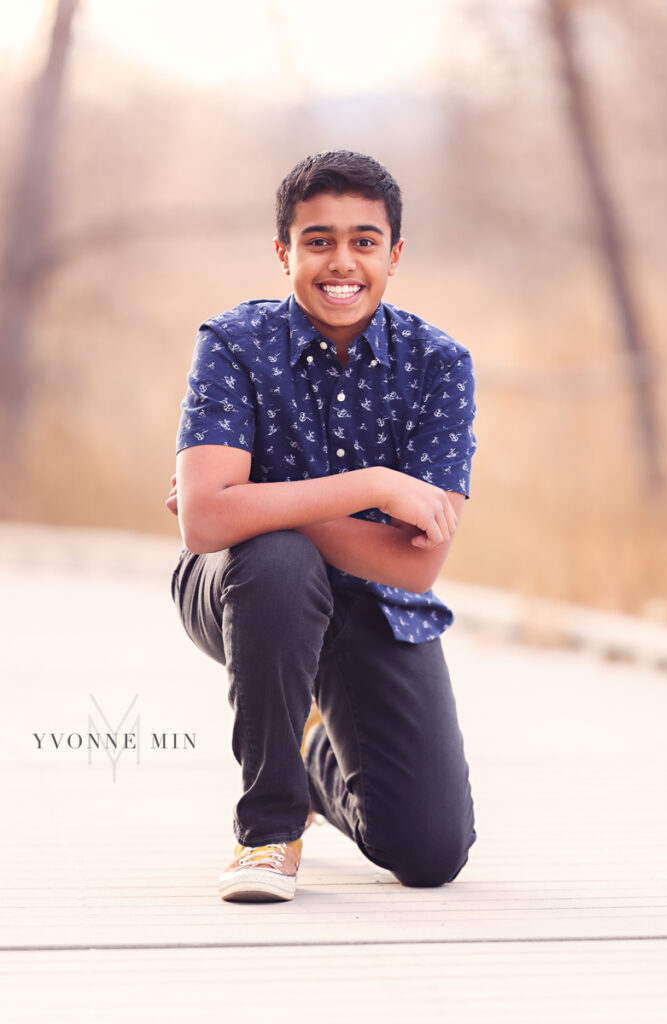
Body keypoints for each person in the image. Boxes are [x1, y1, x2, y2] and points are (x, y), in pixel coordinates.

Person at [166, 150, 477, 903]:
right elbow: (204, 525)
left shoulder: (439, 365)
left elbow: (413, 567)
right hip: (241, 591)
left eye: (363, 241)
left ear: (394, 255)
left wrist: (259, 498)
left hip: (380, 608)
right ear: (284, 253)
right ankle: (267, 833)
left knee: (430, 852)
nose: (342, 262)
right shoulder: (235, 344)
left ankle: (308, 757)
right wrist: (372, 487)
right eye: (318, 241)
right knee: (274, 560)